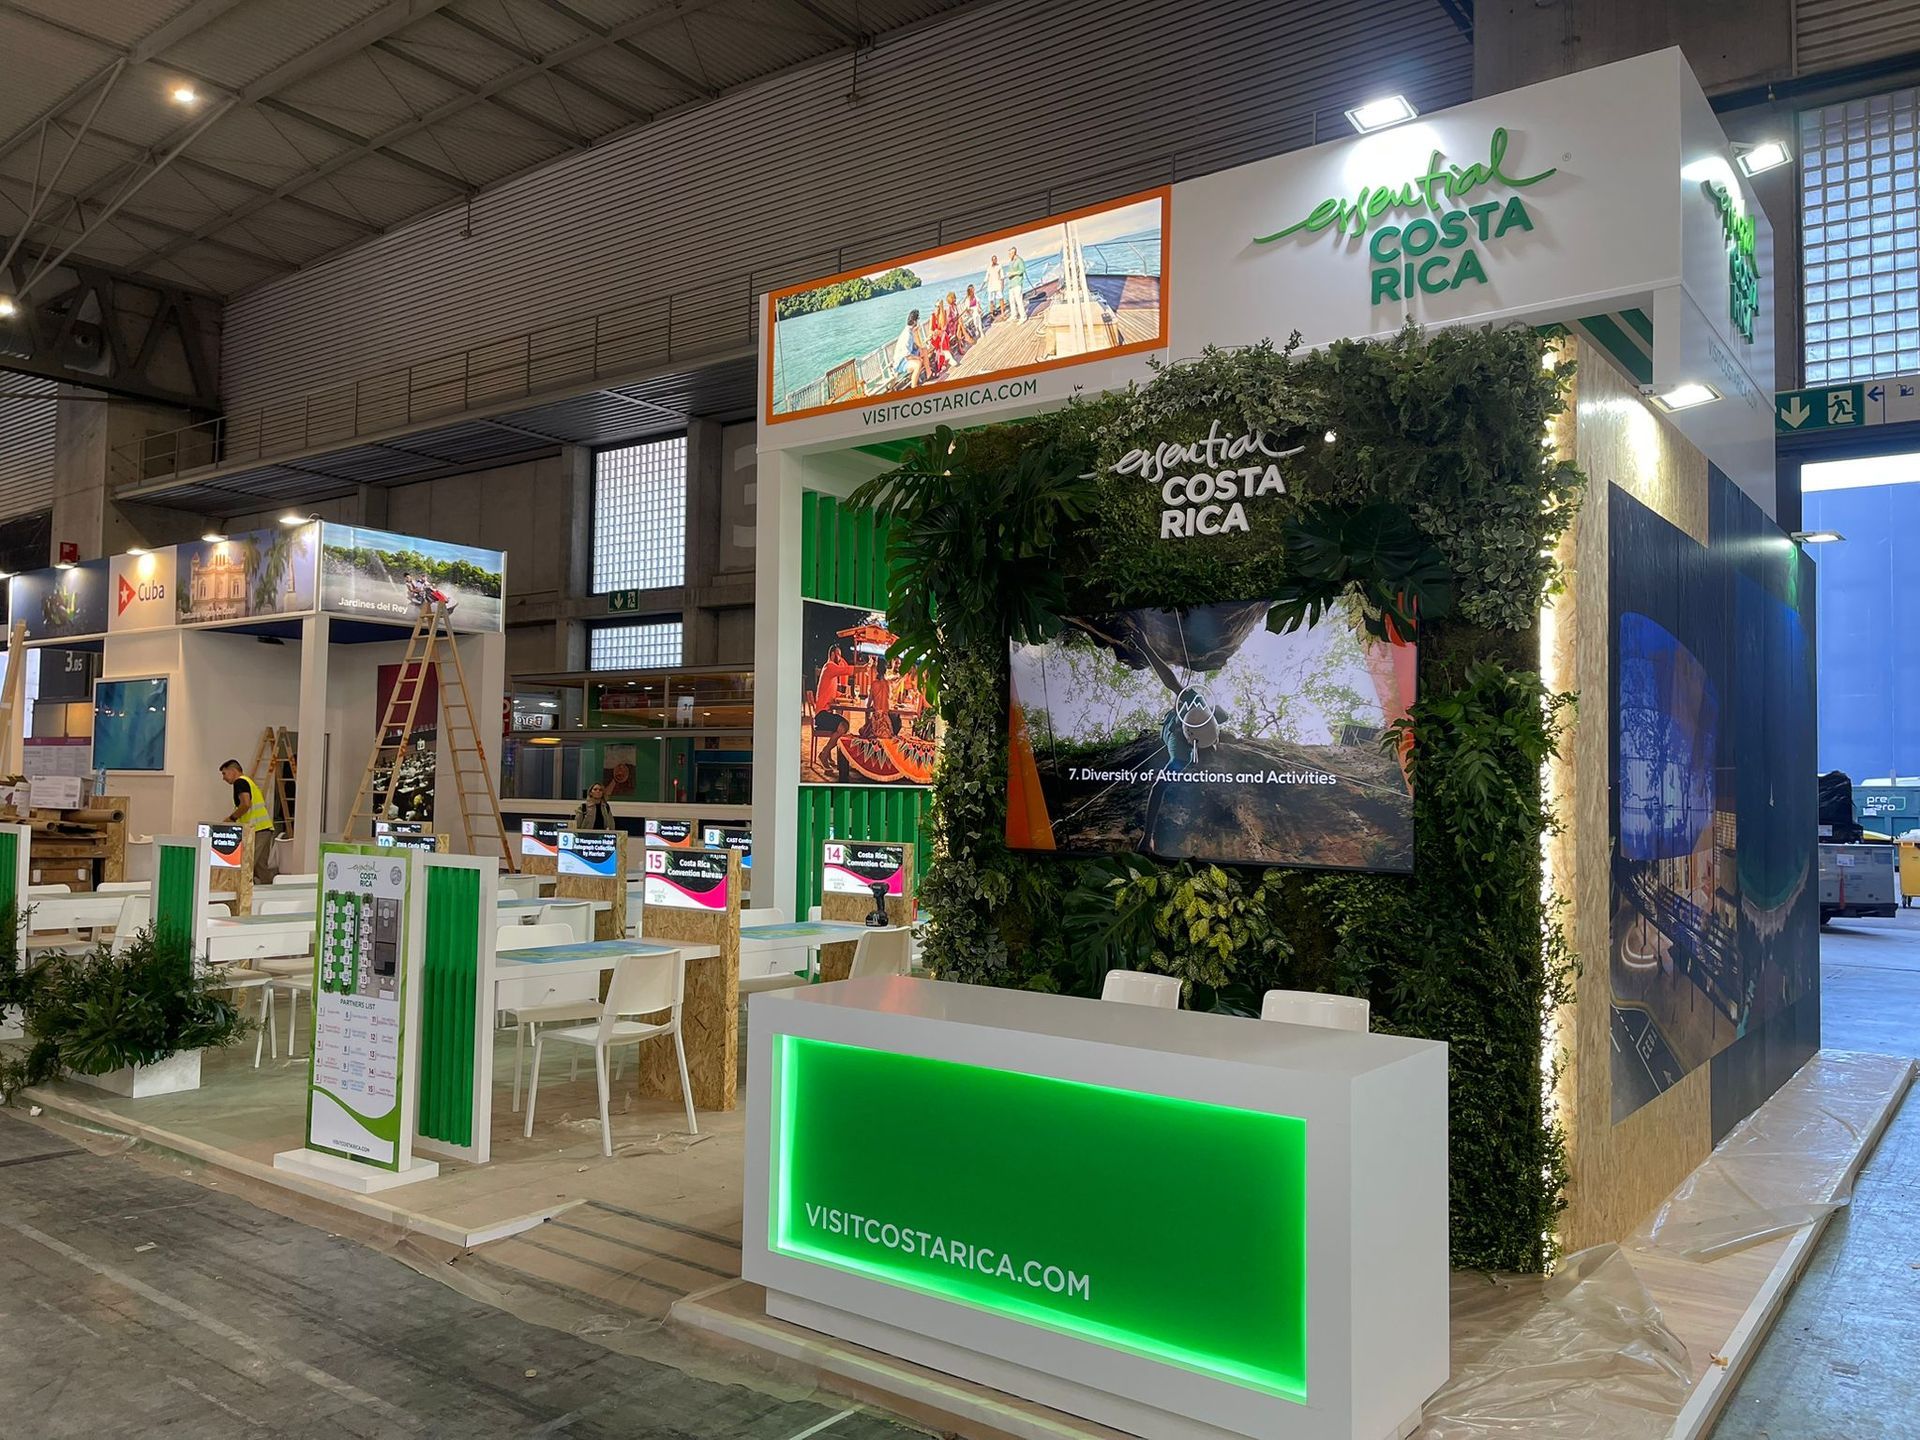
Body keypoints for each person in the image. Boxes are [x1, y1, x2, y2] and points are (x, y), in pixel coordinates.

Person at [219, 758, 276, 883]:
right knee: (261, 867)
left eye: (224, 773)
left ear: (233, 770)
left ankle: (241, 893)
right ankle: (269, 892)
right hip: (264, 828)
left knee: (246, 864)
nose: (223, 778)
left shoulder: (240, 782)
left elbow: (245, 804)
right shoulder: (249, 782)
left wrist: (232, 819)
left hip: (256, 830)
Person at [892, 308, 927, 386]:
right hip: (901, 362)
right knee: (917, 364)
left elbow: (915, 345)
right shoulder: (907, 335)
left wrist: (916, 333)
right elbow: (907, 356)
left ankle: (928, 373)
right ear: (914, 321)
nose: (918, 321)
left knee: (924, 350)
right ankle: (914, 387)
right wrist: (918, 358)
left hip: (907, 357)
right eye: (917, 319)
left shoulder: (911, 331)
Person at [1005, 246, 1028, 321]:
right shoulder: (1010, 262)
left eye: (1010, 253)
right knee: (1011, 301)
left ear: (1013, 253)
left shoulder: (1019, 260)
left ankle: (1023, 317)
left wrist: (1013, 274)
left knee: (1019, 300)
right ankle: (1013, 315)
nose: (1008, 255)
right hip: (1011, 285)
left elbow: (1022, 270)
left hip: (1017, 283)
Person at [984, 252, 1004, 320]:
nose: (994, 260)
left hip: (997, 285)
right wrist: (982, 285)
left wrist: (1002, 285)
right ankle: (992, 314)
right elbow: (986, 277)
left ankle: (1002, 313)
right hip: (990, 286)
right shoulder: (989, 268)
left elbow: (1002, 276)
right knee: (991, 300)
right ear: (992, 260)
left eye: (995, 259)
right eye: (993, 259)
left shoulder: (999, 266)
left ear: (997, 260)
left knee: (1001, 299)